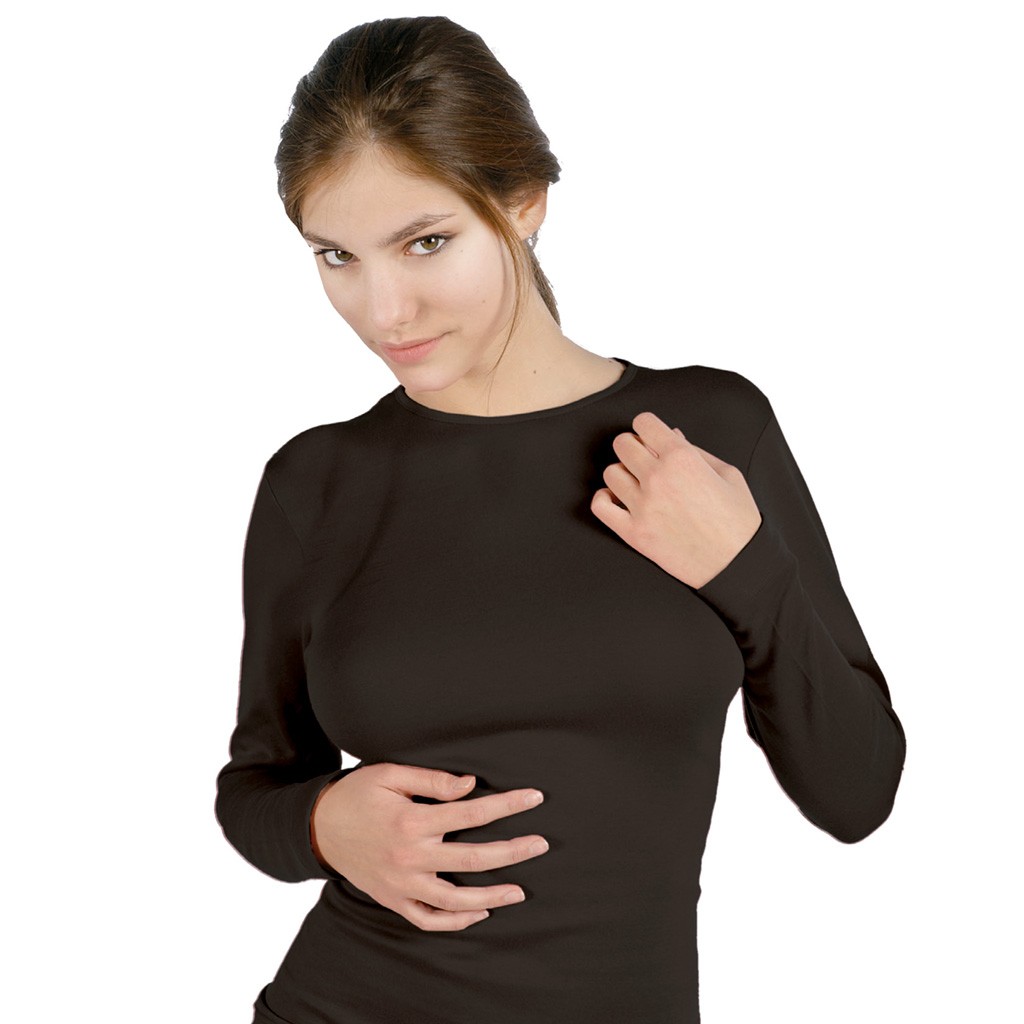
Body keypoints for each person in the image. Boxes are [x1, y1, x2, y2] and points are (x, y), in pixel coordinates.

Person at [215, 15, 907, 1023]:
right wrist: (322, 824)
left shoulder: (707, 430)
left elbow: (857, 792)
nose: (383, 310)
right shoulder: (315, 482)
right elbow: (257, 786)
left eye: (425, 242)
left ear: (524, 201)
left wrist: (746, 570)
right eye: (336, 256)